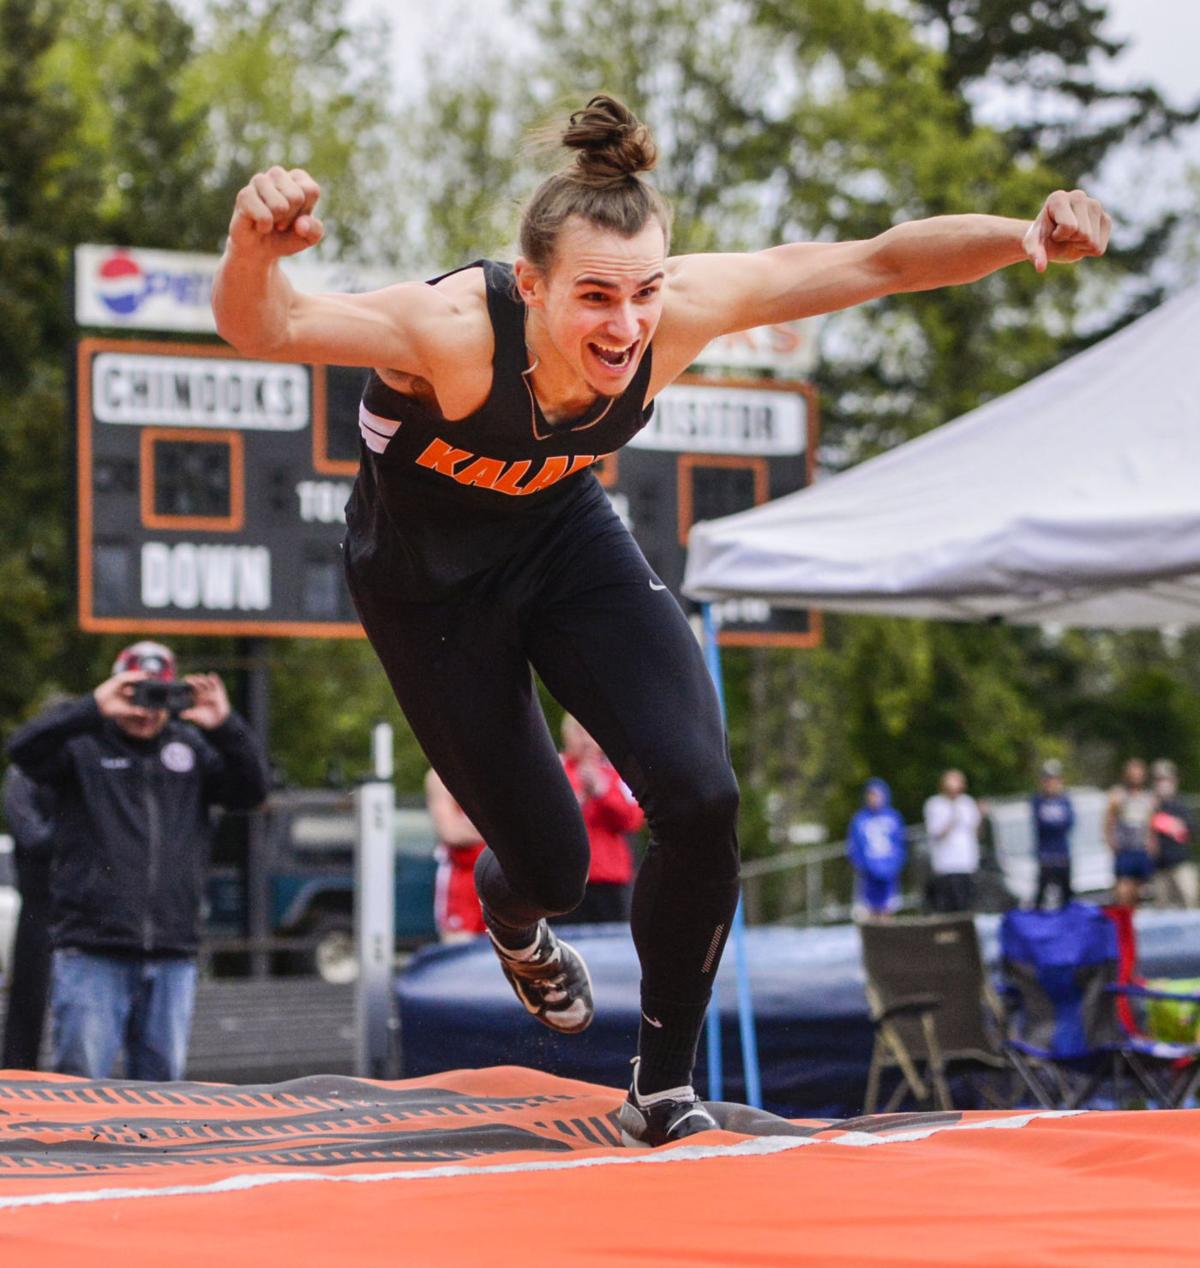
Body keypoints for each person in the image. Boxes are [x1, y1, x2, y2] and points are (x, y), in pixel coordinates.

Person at [211, 93, 1110, 1145]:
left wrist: (1020, 234)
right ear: (532, 285)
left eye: (642, 292)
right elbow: (264, 326)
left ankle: (661, 1090)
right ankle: (516, 920)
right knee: (551, 867)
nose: (626, 327)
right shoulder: (449, 331)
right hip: (427, 589)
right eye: (595, 297)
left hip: (560, 537)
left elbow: (877, 261)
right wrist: (251, 248)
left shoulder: (677, 311)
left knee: (701, 793)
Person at [5, 642, 268, 1081]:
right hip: (93, 951)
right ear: (116, 688)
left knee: (164, 1095)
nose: (145, 710)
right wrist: (93, 707)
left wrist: (226, 726)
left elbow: (253, 791)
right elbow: (22, 750)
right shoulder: (82, 747)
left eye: (158, 696)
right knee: (80, 1088)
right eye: (136, 694)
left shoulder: (189, 748)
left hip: (172, 952)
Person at [560, 714, 645, 923]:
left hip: (608, 881)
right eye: (579, 732)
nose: (586, 740)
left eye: (590, 733)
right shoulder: (555, 769)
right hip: (566, 879)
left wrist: (602, 792)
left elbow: (632, 819)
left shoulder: (616, 773)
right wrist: (580, 798)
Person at [1, 764, 56, 1069]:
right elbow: (31, 836)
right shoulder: (26, 771)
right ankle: (19, 1070)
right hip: (40, 900)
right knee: (29, 994)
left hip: (83, 903)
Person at [425, 767, 488, 942]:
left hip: (503, 880)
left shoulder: (504, 769)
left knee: (511, 951)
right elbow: (450, 832)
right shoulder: (441, 774)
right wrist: (502, 826)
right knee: (459, 947)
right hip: (463, 879)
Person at [923, 770, 983, 913]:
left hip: (967, 863)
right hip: (946, 865)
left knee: (967, 904)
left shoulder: (967, 803)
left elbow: (976, 832)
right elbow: (936, 833)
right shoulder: (935, 804)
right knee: (949, 906)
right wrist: (953, 817)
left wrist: (981, 816)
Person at [846, 778, 907, 919]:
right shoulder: (859, 819)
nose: (873, 799)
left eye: (876, 795)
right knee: (869, 909)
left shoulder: (893, 817)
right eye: (870, 795)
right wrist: (863, 865)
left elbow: (900, 843)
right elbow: (854, 846)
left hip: (889, 871)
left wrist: (894, 865)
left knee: (888, 908)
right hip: (868, 872)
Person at [1106, 757, 1156, 908]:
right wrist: (1111, 841)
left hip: (1141, 848)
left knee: (1139, 891)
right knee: (1123, 889)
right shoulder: (1118, 795)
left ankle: (1134, 917)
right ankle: (1122, 916)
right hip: (1124, 848)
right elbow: (1109, 821)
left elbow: (1151, 823)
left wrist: (1151, 842)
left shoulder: (1148, 797)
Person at [1149, 759, 1197, 909]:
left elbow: (1193, 830)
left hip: (1181, 861)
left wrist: (1179, 827)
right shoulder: (1150, 805)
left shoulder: (1181, 804)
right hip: (1160, 865)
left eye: (1166, 779)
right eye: (1159, 780)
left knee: (1190, 898)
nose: (1163, 784)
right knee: (1161, 906)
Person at [1031, 759, 1075, 910]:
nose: (1051, 784)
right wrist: (1056, 822)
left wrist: (1054, 823)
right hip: (1046, 856)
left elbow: (1069, 824)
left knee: (1067, 896)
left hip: (1062, 855)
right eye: (1048, 780)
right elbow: (1042, 824)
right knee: (1041, 897)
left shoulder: (1065, 801)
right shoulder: (1037, 801)